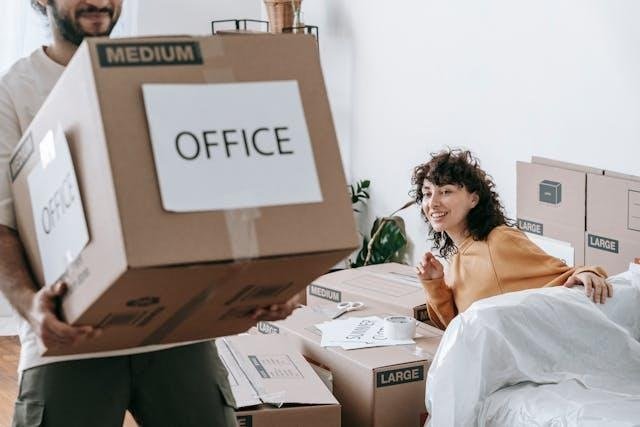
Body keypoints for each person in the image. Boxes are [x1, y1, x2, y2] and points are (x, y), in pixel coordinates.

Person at [0, 1, 298, 426]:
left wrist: (263, 278)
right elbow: (2, 225)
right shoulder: (14, 91)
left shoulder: (160, 73)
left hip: (176, 326)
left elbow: (220, 190)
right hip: (67, 339)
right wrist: (31, 308)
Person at [412, 149, 609, 330]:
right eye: (428, 193)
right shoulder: (456, 260)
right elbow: (458, 329)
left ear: (474, 199)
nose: (433, 203)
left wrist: (588, 272)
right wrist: (435, 283)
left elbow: (561, 276)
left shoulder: (498, 241)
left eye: (446, 191)